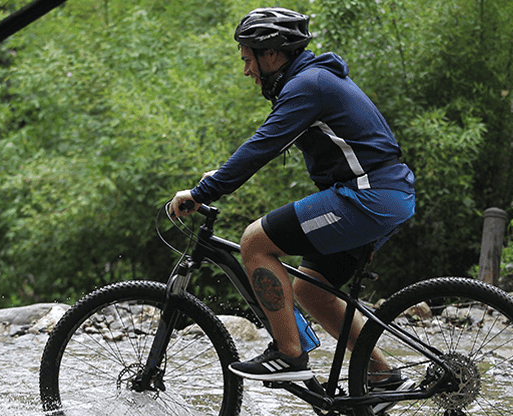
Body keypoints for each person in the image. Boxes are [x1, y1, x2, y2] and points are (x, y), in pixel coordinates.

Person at [168, 8, 415, 388]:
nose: (247, 70)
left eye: (248, 59)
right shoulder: (310, 82)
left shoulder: (308, 85)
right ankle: (383, 377)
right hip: (382, 194)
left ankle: (289, 354)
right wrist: (219, 176)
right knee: (310, 291)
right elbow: (269, 142)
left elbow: (262, 146)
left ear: (271, 54)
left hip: (369, 195)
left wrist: (203, 193)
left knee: (255, 242)